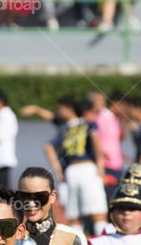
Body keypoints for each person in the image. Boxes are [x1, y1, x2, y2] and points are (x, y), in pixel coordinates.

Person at [44, 96, 107, 234]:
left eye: (60, 108)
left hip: (79, 170)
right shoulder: (74, 127)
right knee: (85, 212)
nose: (58, 111)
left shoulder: (77, 126)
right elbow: (48, 148)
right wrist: (58, 170)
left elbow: (48, 148)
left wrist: (58, 170)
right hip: (81, 169)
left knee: (85, 212)